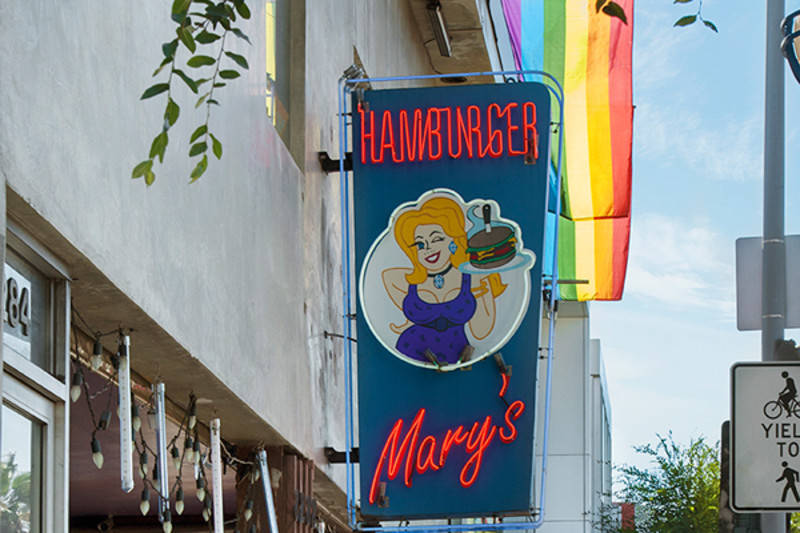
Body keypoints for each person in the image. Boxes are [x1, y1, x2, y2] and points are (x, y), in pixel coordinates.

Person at [381, 196, 505, 365]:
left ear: (454, 240)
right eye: (420, 244)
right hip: (410, 351)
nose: (428, 248)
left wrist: (482, 286)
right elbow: (386, 276)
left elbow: (481, 331)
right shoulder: (409, 280)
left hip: (459, 356)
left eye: (437, 239)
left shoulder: (472, 276)